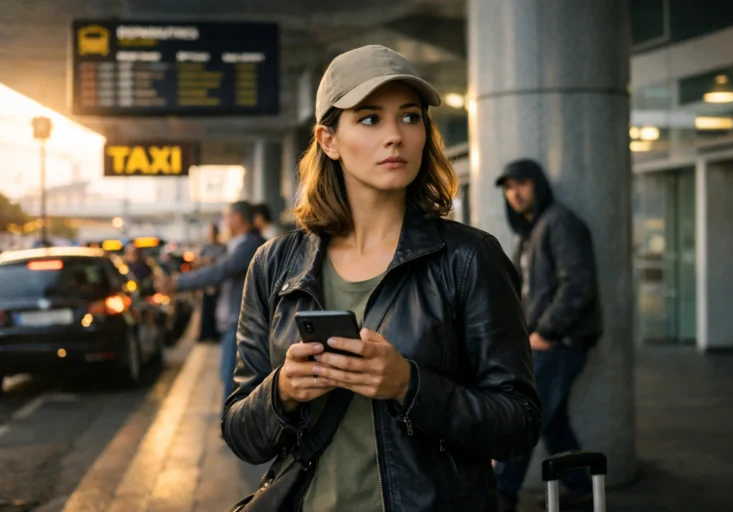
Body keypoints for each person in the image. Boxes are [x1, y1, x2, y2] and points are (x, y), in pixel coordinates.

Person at [222, 45, 541, 512]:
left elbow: (519, 424)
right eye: (370, 118)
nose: (395, 135)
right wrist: (283, 390)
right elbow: (241, 434)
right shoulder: (275, 264)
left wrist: (409, 385)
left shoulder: (470, 258)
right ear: (328, 139)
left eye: (410, 117)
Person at [493, 159, 603, 511]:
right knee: (552, 419)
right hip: (544, 342)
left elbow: (578, 285)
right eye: (509, 187)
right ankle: (581, 486)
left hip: (560, 342)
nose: (515, 193)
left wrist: (546, 331)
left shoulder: (560, 223)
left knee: (526, 416)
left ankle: (500, 494)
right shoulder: (533, 230)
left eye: (522, 183)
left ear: (538, 185)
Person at [155, 201, 265, 406]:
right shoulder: (236, 244)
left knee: (234, 383)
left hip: (242, 324)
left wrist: (177, 282)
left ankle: (234, 431)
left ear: (238, 218)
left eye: (227, 217)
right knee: (229, 377)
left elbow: (221, 271)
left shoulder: (249, 245)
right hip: (233, 323)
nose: (225, 222)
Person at [198, 223, 227, 342]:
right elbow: (198, 263)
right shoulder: (205, 247)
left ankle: (216, 333)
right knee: (206, 309)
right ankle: (206, 333)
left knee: (217, 309)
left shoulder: (223, 247)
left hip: (219, 284)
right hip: (207, 283)